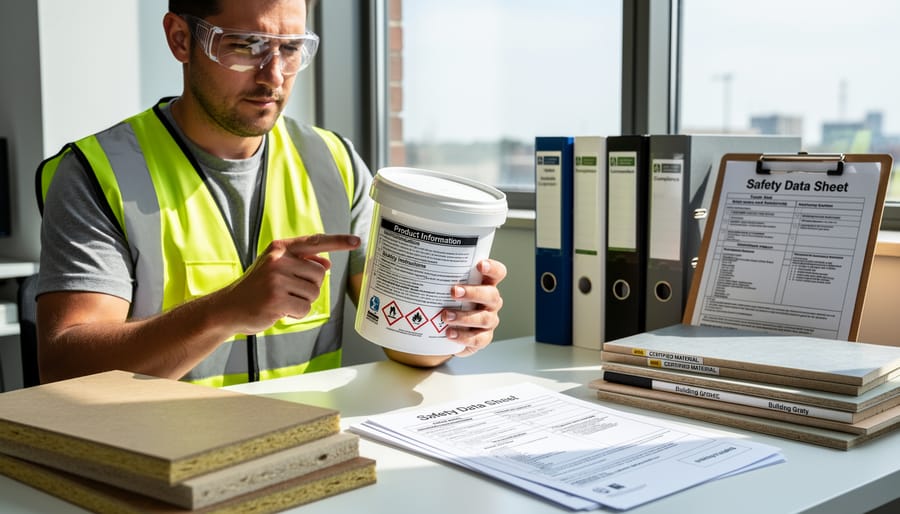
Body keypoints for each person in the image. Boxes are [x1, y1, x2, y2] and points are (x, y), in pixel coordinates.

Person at [34, 0, 507, 387]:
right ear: (181, 38)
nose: (274, 76)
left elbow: (400, 333)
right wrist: (224, 311)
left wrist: (452, 331)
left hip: (308, 454)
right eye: (246, 46)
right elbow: (64, 368)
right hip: (163, 469)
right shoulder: (96, 173)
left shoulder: (334, 161)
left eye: (291, 48)